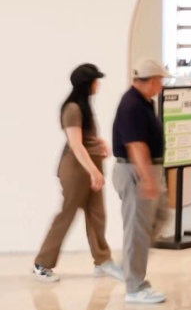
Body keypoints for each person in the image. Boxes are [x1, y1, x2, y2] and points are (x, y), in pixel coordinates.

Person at [32, 64, 124, 283]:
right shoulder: (72, 108)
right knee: (67, 215)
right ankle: (41, 264)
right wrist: (94, 172)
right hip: (76, 170)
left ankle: (102, 261)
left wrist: (99, 143)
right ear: (87, 84)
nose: (98, 85)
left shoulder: (84, 107)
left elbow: (85, 138)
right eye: (95, 81)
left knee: (97, 215)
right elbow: (75, 144)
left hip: (89, 167)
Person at [113, 58, 171, 305]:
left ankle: (129, 265)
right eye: (160, 80)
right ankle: (135, 287)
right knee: (137, 229)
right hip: (135, 172)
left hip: (148, 170)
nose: (161, 85)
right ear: (151, 81)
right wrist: (147, 178)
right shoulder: (132, 106)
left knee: (159, 217)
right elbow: (136, 146)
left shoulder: (145, 102)